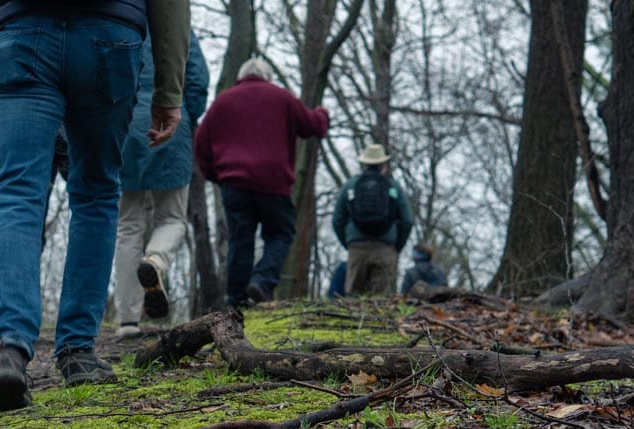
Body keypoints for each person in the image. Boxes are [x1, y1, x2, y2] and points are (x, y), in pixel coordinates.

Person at [0, 0, 190, 412]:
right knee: (97, 192)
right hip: (109, 36)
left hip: (18, 32)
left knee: (16, 190)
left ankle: (7, 348)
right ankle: (78, 351)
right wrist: (169, 89)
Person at [194, 58, 329, 307]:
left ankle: (236, 299)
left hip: (233, 183)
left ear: (241, 76)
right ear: (268, 76)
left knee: (240, 239)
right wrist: (322, 114)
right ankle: (262, 281)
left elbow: (201, 141)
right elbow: (312, 126)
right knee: (280, 232)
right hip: (273, 181)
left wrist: (216, 175)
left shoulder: (223, 101)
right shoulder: (282, 97)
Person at [111, 31, 209, 338]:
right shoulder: (179, 29)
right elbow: (198, 79)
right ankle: (156, 259)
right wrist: (188, 115)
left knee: (127, 226)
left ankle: (127, 320)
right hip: (170, 124)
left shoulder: (122, 20)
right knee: (172, 217)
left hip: (124, 128)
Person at [331, 143, 414, 296]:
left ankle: (352, 320)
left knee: (353, 298)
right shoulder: (393, 186)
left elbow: (337, 220)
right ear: (384, 165)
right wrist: (396, 246)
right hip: (386, 247)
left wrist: (349, 243)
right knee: (382, 300)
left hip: (356, 247)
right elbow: (407, 220)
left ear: (363, 164)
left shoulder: (350, 185)